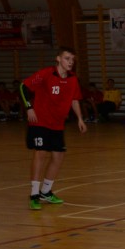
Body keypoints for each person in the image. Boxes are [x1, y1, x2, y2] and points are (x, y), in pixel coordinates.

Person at [19, 46, 87, 210]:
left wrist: (79, 118)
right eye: (67, 58)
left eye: (72, 59)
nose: (70, 62)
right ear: (58, 59)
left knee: (58, 156)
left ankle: (46, 192)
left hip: (57, 124)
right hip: (40, 122)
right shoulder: (46, 74)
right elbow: (23, 87)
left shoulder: (73, 79)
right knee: (41, 153)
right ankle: (34, 194)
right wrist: (29, 108)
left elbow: (74, 99)